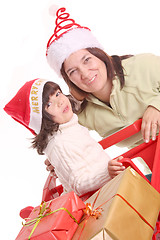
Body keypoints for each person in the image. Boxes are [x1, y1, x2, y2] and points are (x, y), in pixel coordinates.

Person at [46, 7, 160, 149]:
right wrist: (55, 160)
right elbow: (65, 140)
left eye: (87, 60)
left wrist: (156, 106)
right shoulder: (83, 114)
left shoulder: (143, 65)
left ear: (100, 55)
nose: (85, 74)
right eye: (73, 71)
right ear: (69, 80)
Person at [4, 78, 124, 196]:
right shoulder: (59, 144)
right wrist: (107, 173)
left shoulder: (69, 126)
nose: (60, 101)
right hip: (98, 201)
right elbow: (78, 184)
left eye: (57, 93)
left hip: (110, 186)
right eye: (49, 104)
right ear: (42, 119)